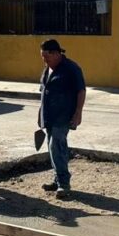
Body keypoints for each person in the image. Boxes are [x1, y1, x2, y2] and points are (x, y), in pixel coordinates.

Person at [37, 38, 86, 198]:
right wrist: (40, 116)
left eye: (47, 57)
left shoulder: (71, 69)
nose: (45, 60)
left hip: (63, 116)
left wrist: (78, 112)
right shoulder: (47, 70)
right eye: (43, 57)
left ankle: (64, 184)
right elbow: (44, 93)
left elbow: (81, 91)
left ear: (57, 54)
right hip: (49, 117)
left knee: (56, 146)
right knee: (53, 149)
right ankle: (57, 180)